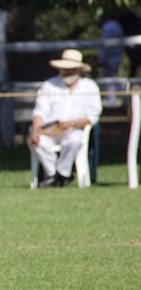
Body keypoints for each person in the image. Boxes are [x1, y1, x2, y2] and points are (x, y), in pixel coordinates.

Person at [29, 49, 102, 188]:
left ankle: (63, 173)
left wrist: (72, 124)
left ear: (79, 70)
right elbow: (39, 111)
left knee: (74, 140)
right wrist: (36, 130)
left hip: (74, 129)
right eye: (64, 69)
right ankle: (53, 173)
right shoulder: (49, 86)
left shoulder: (89, 87)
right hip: (50, 129)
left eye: (71, 69)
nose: (67, 72)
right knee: (38, 142)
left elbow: (93, 116)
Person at [97, 15, 124, 107]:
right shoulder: (116, 26)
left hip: (110, 57)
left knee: (109, 79)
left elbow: (105, 45)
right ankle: (123, 97)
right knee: (113, 78)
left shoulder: (108, 27)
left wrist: (101, 59)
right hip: (116, 56)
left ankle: (110, 101)